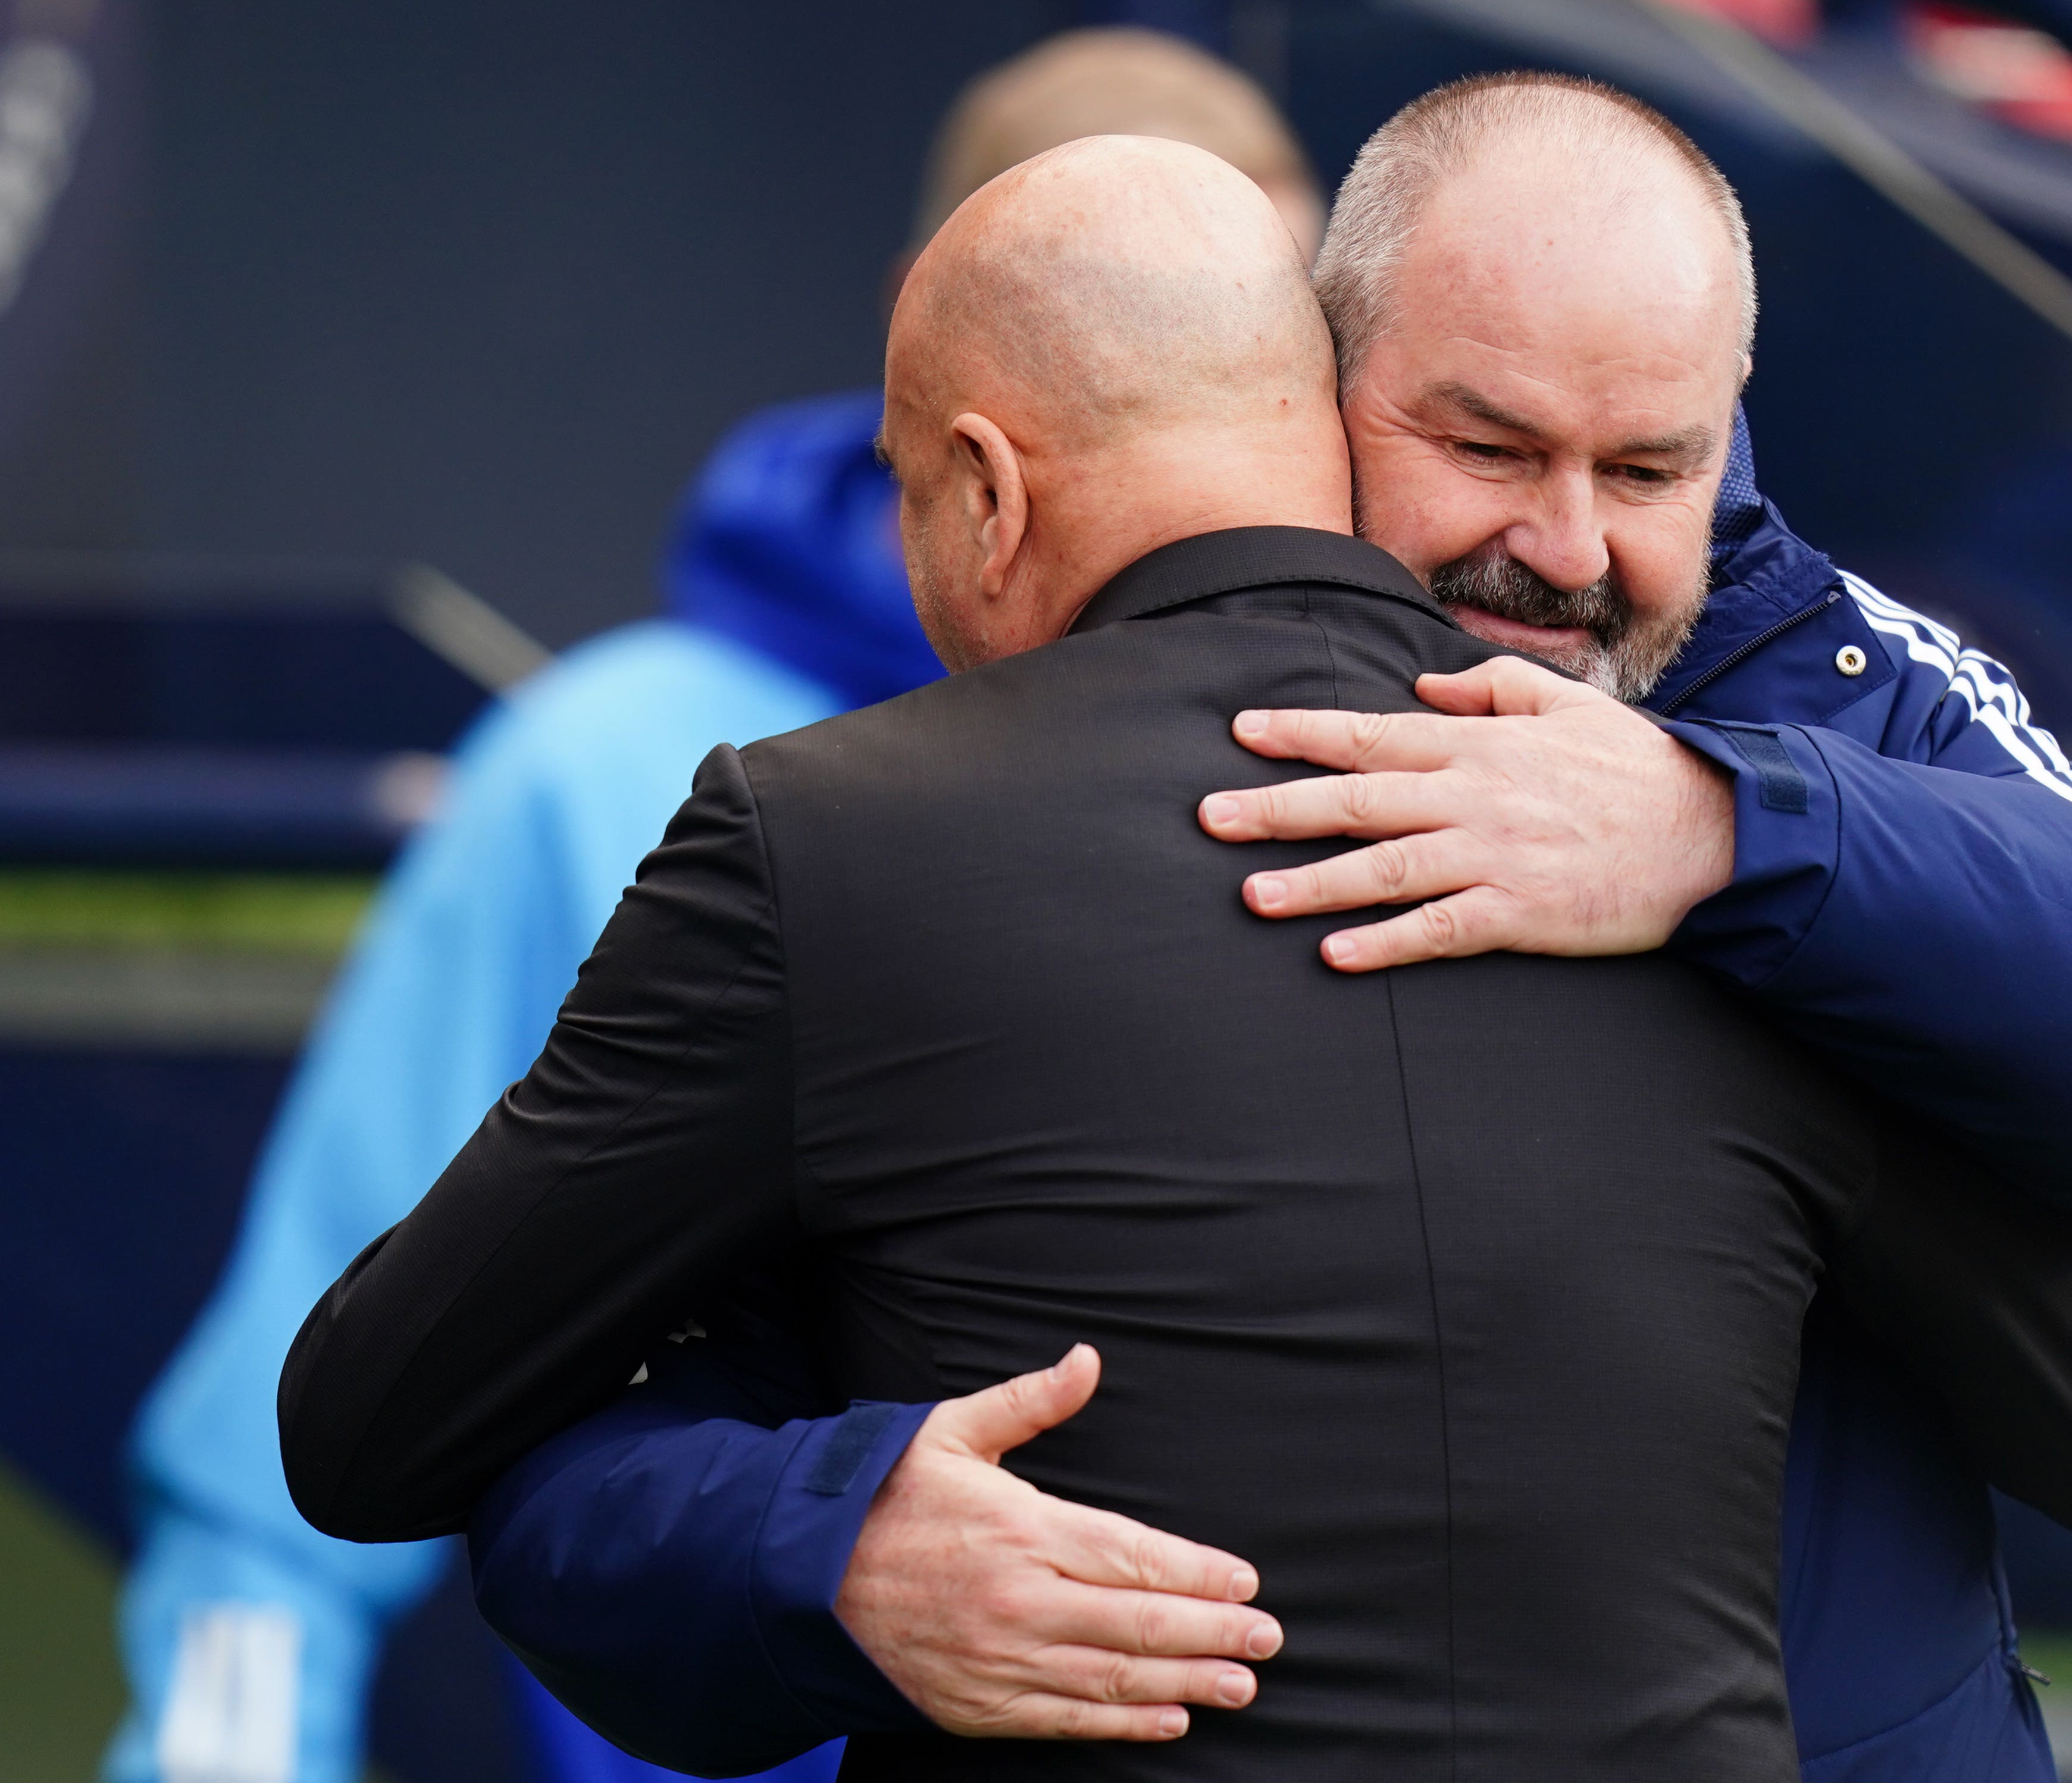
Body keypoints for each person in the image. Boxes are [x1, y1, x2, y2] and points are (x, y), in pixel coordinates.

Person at [359, 71, 2072, 1782]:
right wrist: (827, 1537)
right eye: (1483, 445)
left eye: (1647, 471)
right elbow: (549, 1419)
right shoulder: (966, 815)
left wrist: (1733, 839)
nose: (1563, 547)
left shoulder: (1814, 697)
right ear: (1309, 384)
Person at [105, 29, 1323, 1783]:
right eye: (1144, 329)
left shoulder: (1401, 771)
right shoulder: (606, 766)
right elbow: (284, 1456)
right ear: (957, 352)